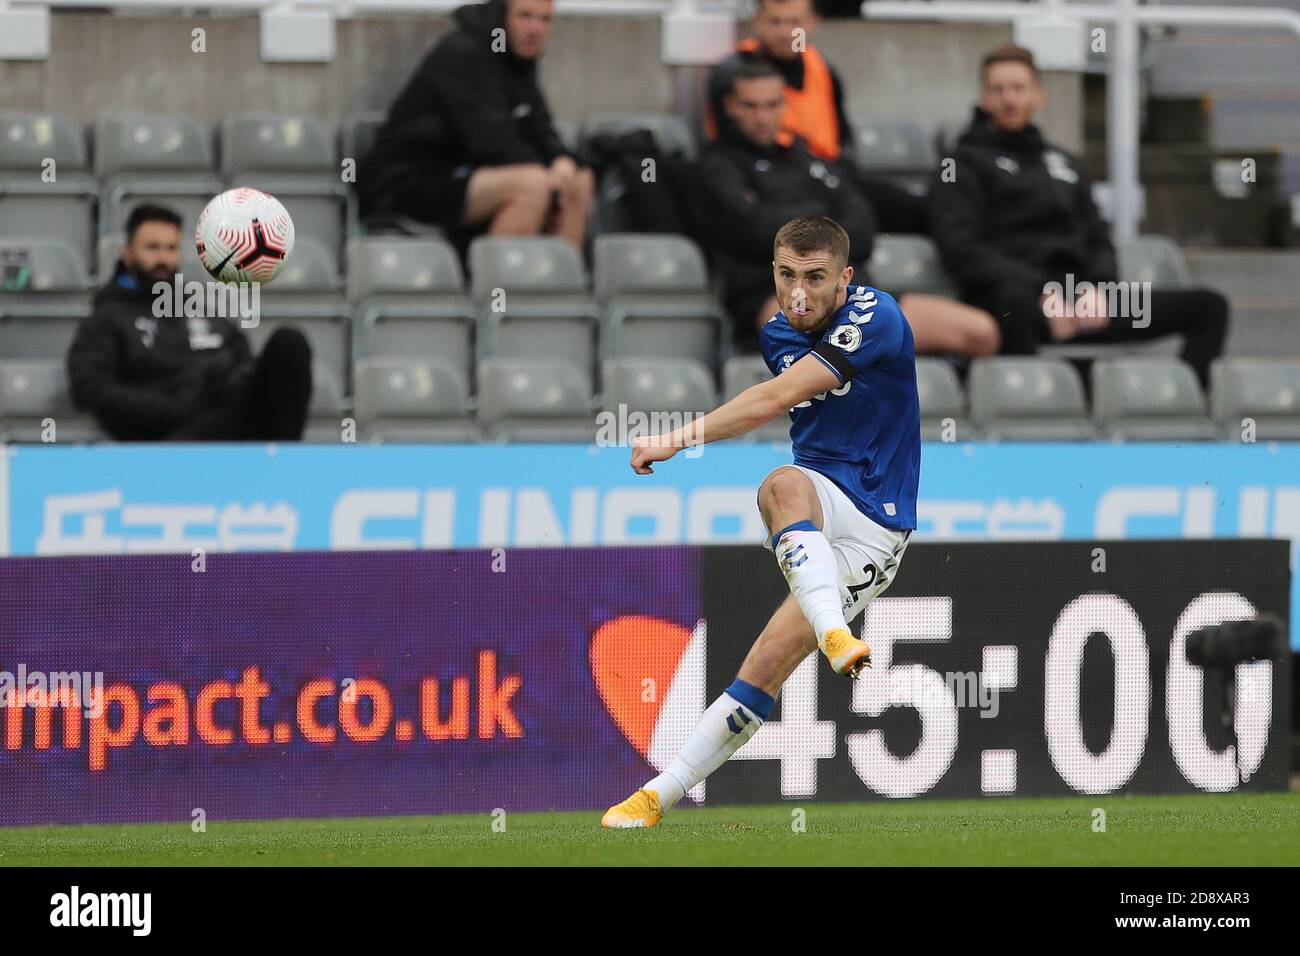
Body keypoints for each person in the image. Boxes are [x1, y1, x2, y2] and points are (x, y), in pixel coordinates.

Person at [602, 215, 919, 828]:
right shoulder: (778, 332)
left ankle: (829, 630)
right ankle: (654, 799)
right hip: (818, 498)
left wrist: (676, 439)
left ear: (845, 279)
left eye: (815, 278)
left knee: (770, 656)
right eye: (786, 275)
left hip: (878, 520)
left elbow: (772, 401)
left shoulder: (877, 317)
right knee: (782, 484)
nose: (799, 293)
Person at [929, 44, 1228, 384]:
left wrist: (1096, 287)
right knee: (1013, 307)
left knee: (1209, 307)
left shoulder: (1065, 163)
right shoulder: (960, 163)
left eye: (1018, 88)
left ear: (1038, 95)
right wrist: (1040, 290)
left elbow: (1098, 237)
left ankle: (1181, 414)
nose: (1009, 99)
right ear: (984, 98)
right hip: (1013, 301)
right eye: (998, 89)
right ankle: (1025, 420)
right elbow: (959, 248)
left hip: (1083, 300)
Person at [696, 56, 998, 357]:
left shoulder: (808, 160)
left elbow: (863, 227)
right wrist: (825, 217)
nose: (763, 117)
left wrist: (794, 219)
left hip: (856, 294)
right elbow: (755, 231)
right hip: (775, 295)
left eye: (772, 105)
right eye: (751, 106)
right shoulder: (716, 166)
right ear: (731, 106)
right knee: (834, 340)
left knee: (980, 332)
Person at [358, 0, 594, 250]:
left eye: (544, 19)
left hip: (469, 178)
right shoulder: (463, 53)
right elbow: (492, 142)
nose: (535, 29)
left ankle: (555, 286)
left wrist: (562, 160)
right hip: (408, 182)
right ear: (503, 15)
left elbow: (540, 127)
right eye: (525, 16)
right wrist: (549, 174)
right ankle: (496, 287)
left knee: (579, 181)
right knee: (533, 185)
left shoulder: (519, 58)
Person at [67, 203, 312, 441]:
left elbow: (243, 359)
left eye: (171, 248)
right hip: (167, 438)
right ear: (128, 253)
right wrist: (174, 404)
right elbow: (90, 388)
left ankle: (285, 464)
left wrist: (225, 381)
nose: (163, 258)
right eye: (152, 248)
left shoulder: (198, 307)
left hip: (229, 422)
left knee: (289, 344)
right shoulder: (106, 319)